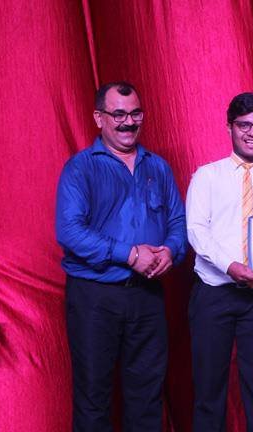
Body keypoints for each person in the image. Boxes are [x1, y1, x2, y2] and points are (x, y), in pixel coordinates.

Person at [55, 81, 187, 431]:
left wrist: (170, 251)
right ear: (99, 118)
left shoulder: (158, 167)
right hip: (95, 298)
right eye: (118, 114)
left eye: (135, 114)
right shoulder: (80, 168)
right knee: (93, 399)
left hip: (147, 296)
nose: (128, 122)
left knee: (147, 398)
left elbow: (177, 222)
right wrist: (129, 255)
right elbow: (69, 231)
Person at [186, 93, 253, 431]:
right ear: (229, 128)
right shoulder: (207, 176)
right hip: (213, 292)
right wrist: (230, 266)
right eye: (244, 125)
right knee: (209, 390)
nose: (252, 133)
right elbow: (197, 231)